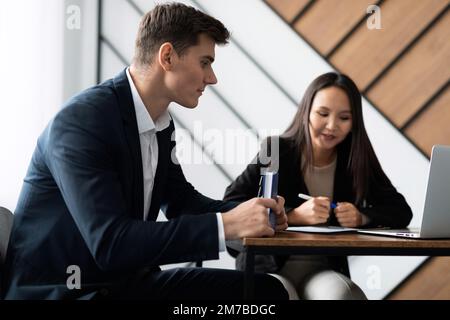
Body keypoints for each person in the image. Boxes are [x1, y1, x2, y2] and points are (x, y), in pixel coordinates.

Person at [2, 3, 289, 300]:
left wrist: (253, 213)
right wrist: (227, 225)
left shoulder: (161, 124)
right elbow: (110, 244)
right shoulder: (81, 122)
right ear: (167, 56)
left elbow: (182, 203)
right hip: (66, 292)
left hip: (125, 284)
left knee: (266, 292)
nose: (212, 78)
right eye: (205, 62)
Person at [223, 72, 413, 300]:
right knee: (278, 295)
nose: (331, 126)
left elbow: (401, 210)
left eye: (344, 118)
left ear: (354, 122)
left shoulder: (354, 159)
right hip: (267, 267)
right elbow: (230, 204)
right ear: (307, 111)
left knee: (344, 296)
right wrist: (292, 217)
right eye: (323, 114)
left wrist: (361, 217)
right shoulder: (276, 150)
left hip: (322, 270)